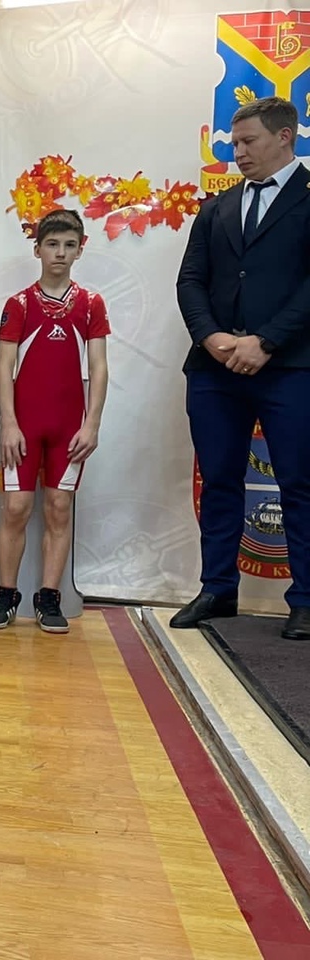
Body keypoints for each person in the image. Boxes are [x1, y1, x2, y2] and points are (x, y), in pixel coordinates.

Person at [174, 96, 310, 640]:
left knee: (299, 483)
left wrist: (267, 341)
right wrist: (211, 337)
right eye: (235, 143)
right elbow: (190, 279)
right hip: (215, 369)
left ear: (285, 137)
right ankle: (217, 588)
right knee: (219, 480)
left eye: (249, 141)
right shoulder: (218, 206)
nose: (239, 152)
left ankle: (305, 599)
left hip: (292, 366)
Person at [0, 208, 109, 634]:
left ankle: (49, 597)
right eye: (52, 244)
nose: (60, 253)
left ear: (80, 250)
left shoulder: (91, 304)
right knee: (16, 508)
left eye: (69, 245)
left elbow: (99, 367)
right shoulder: (19, 304)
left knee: (58, 508)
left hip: (69, 426)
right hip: (24, 425)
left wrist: (91, 425)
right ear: (37, 250)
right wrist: (9, 423)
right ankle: (5, 593)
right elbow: (3, 367)